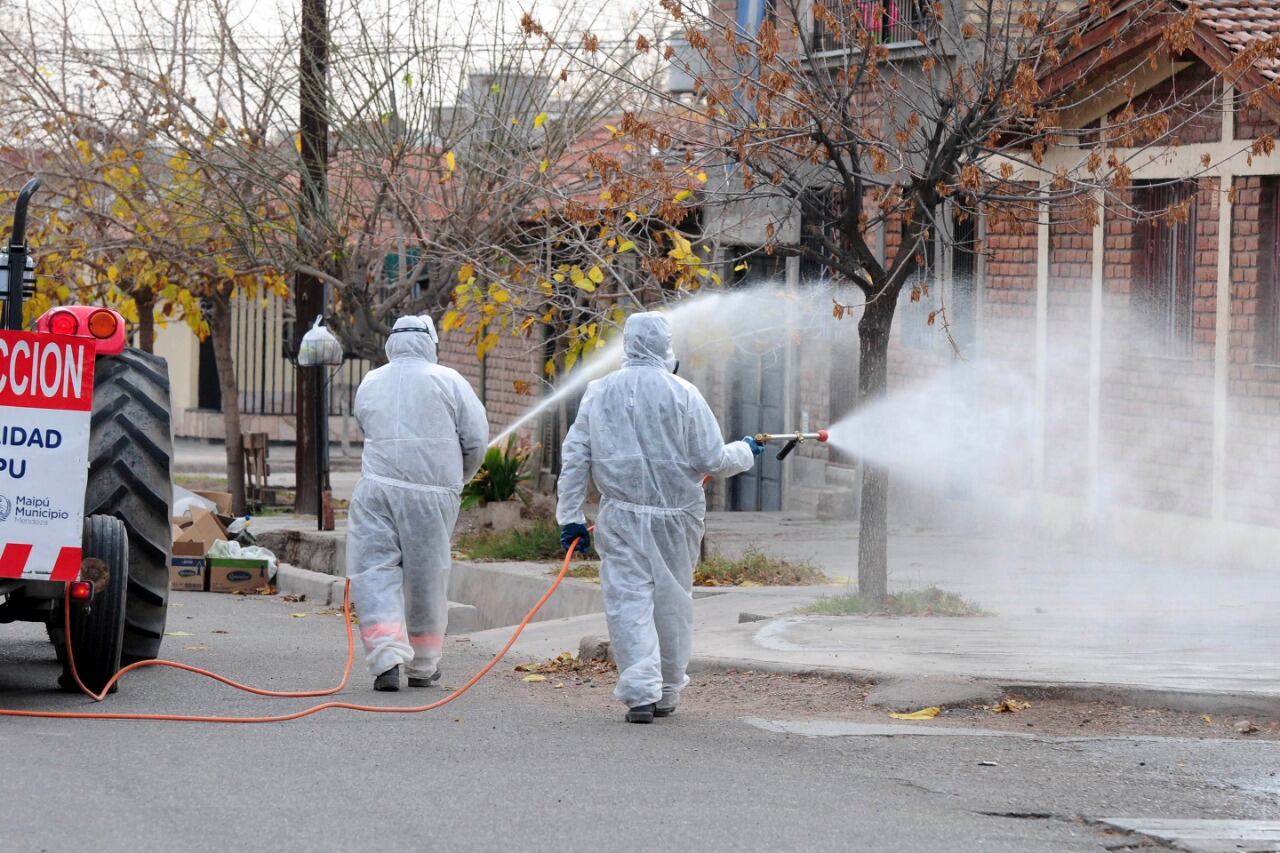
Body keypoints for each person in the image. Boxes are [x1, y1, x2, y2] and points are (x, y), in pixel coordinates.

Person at [556, 312, 762, 723]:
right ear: (666, 346)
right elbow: (711, 458)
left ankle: (640, 694)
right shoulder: (684, 393)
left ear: (627, 344)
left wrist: (570, 516)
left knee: (627, 601)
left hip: (620, 518)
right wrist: (745, 450)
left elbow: (575, 456)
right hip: (676, 518)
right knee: (671, 602)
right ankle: (667, 691)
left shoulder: (599, 392)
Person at [346, 314, 489, 691]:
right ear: (430, 342)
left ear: (391, 343)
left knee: (375, 574)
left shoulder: (371, 381)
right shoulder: (449, 380)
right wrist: (458, 478)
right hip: (431, 497)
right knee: (427, 578)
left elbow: (366, 423)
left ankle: (386, 659)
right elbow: (475, 439)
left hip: (376, 491)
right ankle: (424, 665)